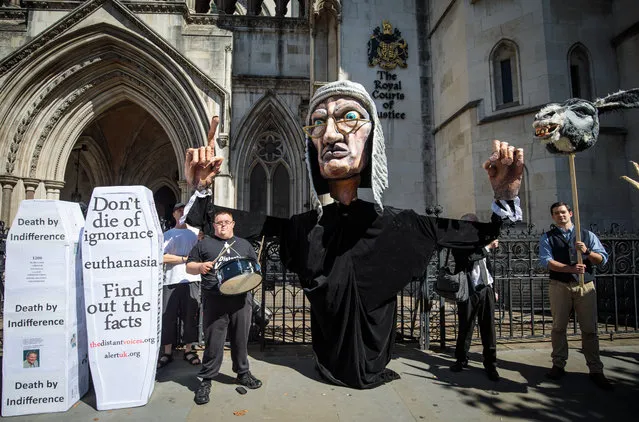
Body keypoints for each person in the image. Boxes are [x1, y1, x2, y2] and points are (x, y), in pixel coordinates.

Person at [183, 80, 524, 389]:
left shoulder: (396, 224)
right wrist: (201, 188)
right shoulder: (306, 227)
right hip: (325, 357)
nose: (330, 134)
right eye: (317, 123)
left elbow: (470, 234)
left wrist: (504, 197)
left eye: (349, 117)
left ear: (373, 137)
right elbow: (228, 220)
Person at [186, 210, 262, 405]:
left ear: (233, 224)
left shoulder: (243, 244)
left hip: (240, 298)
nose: (223, 225)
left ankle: (243, 373)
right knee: (213, 341)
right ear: (214, 225)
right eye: (219, 222)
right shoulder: (204, 244)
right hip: (215, 298)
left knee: (240, 339)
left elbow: (255, 266)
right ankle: (206, 379)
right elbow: (189, 266)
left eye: (226, 222)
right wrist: (200, 267)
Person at [538, 202, 613, 390]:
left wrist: (587, 252)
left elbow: (603, 259)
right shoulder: (548, 238)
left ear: (570, 213)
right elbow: (546, 261)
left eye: (563, 212)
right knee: (558, 327)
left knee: (589, 329)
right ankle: (558, 364)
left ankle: (595, 369)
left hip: (585, 286)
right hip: (559, 285)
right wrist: (570, 268)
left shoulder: (586, 235)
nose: (560, 215)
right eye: (556, 213)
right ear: (553, 217)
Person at [449, 213, 499, 381]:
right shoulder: (458, 241)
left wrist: (494, 288)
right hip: (469, 289)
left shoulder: (483, 239)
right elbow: (467, 259)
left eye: (474, 224)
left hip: (486, 288)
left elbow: (489, 266)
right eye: (467, 223)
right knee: (466, 326)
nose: (472, 226)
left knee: (488, 328)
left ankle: (491, 364)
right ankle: (461, 359)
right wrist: (486, 248)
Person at [158, 203, 201, 369]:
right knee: (168, 316)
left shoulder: (196, 234)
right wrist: (185, 259)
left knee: (190, 316)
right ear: (174, 214)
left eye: (185, 210)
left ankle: (189, 350)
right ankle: (167, 352)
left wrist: (175, 257)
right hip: (170, 280)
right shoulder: (167, 234)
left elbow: (200, 256)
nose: (182, 212)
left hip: (192, 279)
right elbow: (161, 258)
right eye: (179, 210)